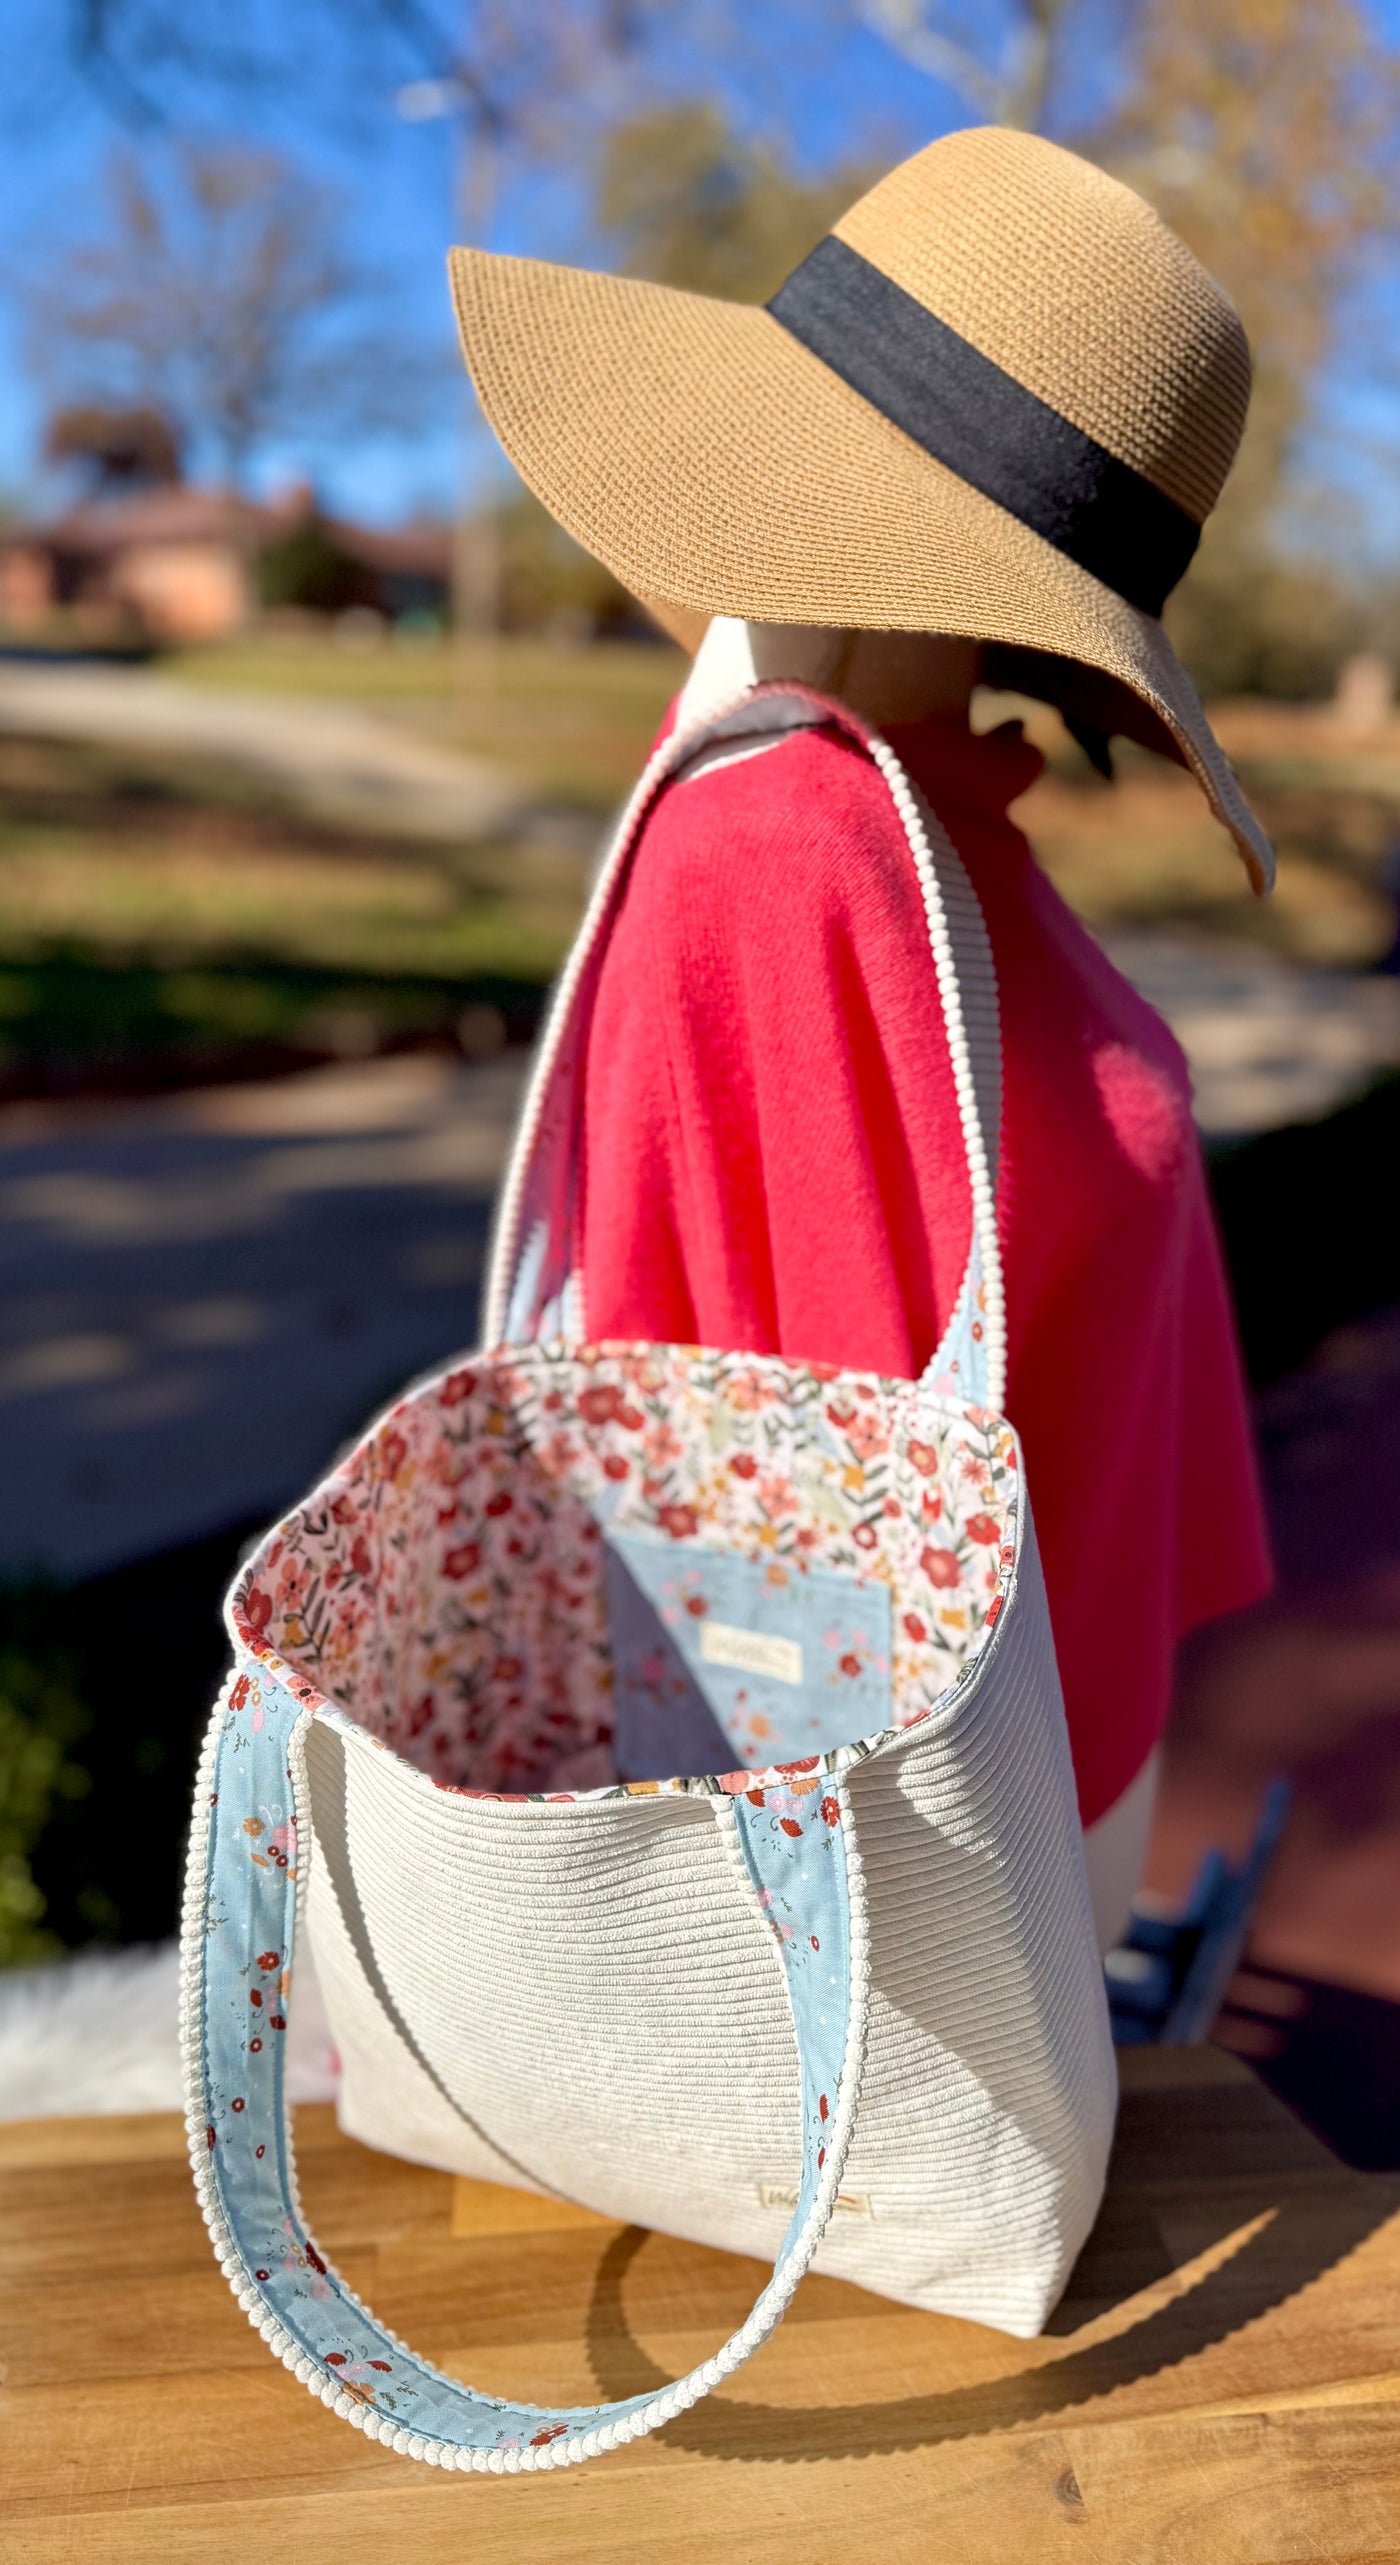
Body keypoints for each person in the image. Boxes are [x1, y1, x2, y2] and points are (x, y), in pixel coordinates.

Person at [449, 123, 1274, 1946]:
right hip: (946, 1848)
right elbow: (808, 1468)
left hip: (996, 1790)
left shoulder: (888, 829)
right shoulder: (791, 846)